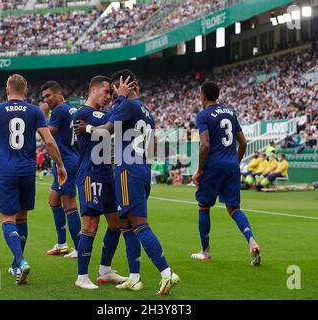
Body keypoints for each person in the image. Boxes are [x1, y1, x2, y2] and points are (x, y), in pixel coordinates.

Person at [75, 70, 180, 296]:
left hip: (128, 171)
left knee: (139, 224)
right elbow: (150, 146)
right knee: (124, 223)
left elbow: (105, 130)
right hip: (141, 168)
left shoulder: (126, 105)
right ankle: (134, 277)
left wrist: (88, 128)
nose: (112, 95)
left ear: (125, 85)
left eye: (114, 90)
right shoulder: (146, 111)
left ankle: (166, 273)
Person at [0, 74, 67, 285]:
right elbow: (49, 141)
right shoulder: (35, 111)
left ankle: (20, 260)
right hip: (28, 171)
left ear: (7, 89)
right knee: (22, 219)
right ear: (26, 90)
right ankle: (15, 266)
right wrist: (60, 165)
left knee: (7, 219)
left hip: (7, 171)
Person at [191, 81, 261, 266]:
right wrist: (235, 164)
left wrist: (199, 171)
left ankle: (205, 252)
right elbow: (243, 143)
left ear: (203, 96)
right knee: (234, 209)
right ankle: (252, 242)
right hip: (231, 166)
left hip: (214, 166)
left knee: (204, 206)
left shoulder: (203, 115)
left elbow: (205, 145)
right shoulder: (230, 112)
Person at [72, 75, 129, 289]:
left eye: (111, 94)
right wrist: (122, 99)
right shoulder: (83, 113)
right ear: (93, 89)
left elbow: (106, 132)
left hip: (106, 174)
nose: (109, 97)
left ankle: (105, 270)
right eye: (106, 92)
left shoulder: (99, 115)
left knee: (116, 224)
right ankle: (81, 276)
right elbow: (108, 125)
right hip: (90, 175)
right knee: (91, 224)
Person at [40, 81, 81, 259]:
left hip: (65, 162)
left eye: (48, 95)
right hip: (67, 160)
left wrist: (42, 115)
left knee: (69, 205)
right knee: (53, 201)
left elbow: (47, 134)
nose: (46, 99)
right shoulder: (71, 108)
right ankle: (62, 244)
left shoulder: (58, 111)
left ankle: (80, 249)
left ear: (59, 93)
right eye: (44, 97)